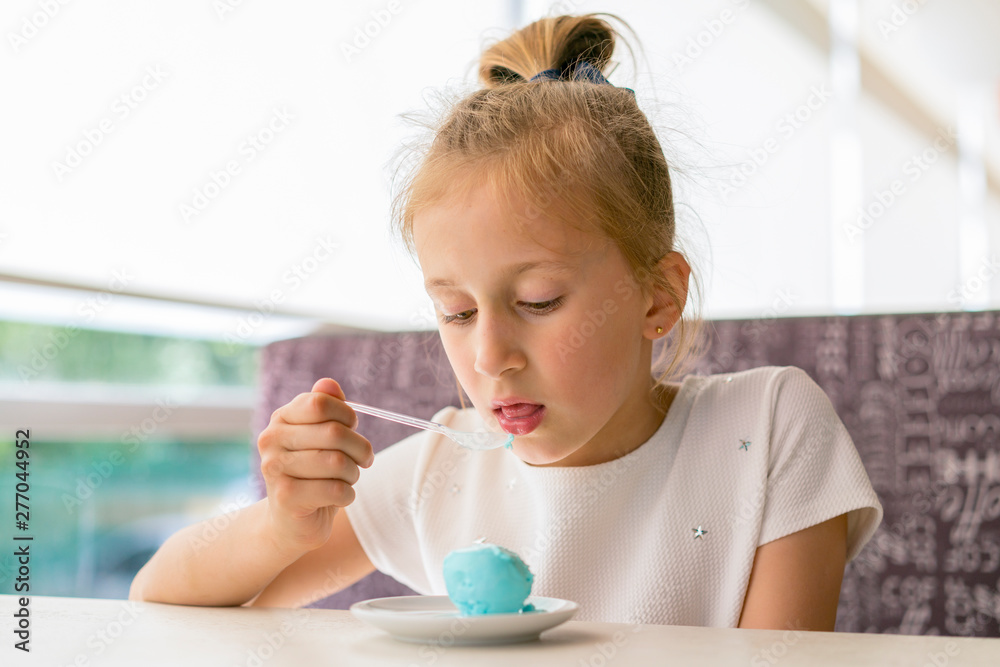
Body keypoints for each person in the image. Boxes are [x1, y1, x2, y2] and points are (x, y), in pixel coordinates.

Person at [129, 12, 883, 631]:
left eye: (539, 301)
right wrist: (283, 525)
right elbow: (158, 597)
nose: (489, 357)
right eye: (456, 312)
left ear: (657, 296)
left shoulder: (768, 428)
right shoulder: (439, 470)